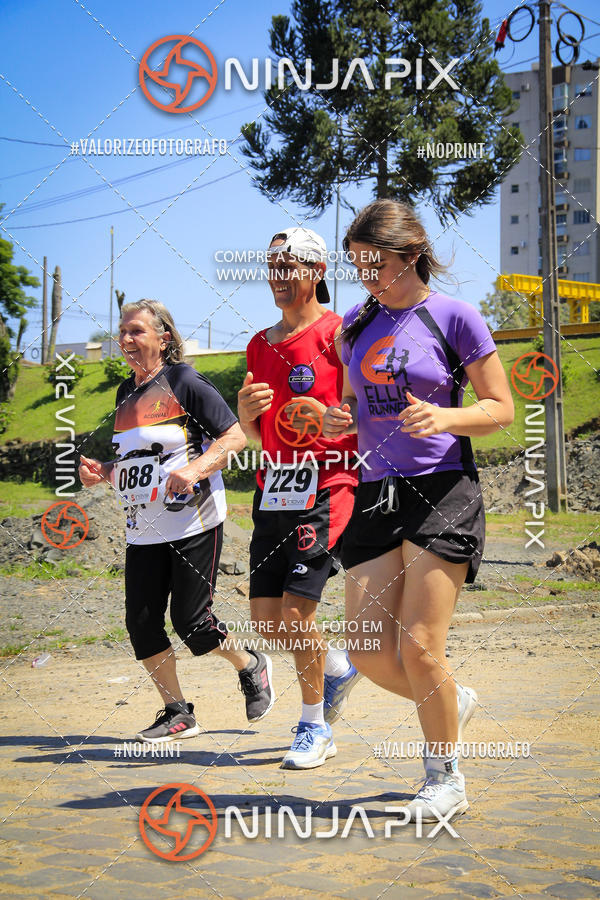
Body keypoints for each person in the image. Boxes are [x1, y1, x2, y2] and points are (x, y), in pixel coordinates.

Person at [321, 200, 514, 819]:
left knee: (419, 645)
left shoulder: (455, 317)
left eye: (375, 263)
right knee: (370, 650)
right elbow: (354, 404)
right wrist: (338, 418)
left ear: (410, 254)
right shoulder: (355, 324)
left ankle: (444, 777)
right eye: (357, 265)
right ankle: (449, 703)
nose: (367, 276)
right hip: (377, 492)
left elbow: (500, 408)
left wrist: (446, 415)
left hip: (443, 491)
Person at [78, 299, 274, 742]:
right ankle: (177, 712)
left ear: (164, 337)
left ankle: (250, 664)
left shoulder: (184, 380)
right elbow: (138, 459)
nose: (125, 340)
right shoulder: (124, 393)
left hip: (192, 523)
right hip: (141, 528)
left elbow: (234, 436)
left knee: (192, 623)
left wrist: (195, 470)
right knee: (141, 623)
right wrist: (104, 472)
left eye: (136, 332)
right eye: (122, 332)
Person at [237, 228, 362, 769]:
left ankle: (314, 726)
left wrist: (349, 417)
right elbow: (259, 436)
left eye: (290, 266)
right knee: (267, 621)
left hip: (327, 485)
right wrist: (245, 416)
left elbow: (368, 406)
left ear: (316, 273)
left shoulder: (343, 332)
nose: (279, 276)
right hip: (274, 489)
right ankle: (335, 666)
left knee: (296, 610)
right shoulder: (259, 346)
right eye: (272, 266)